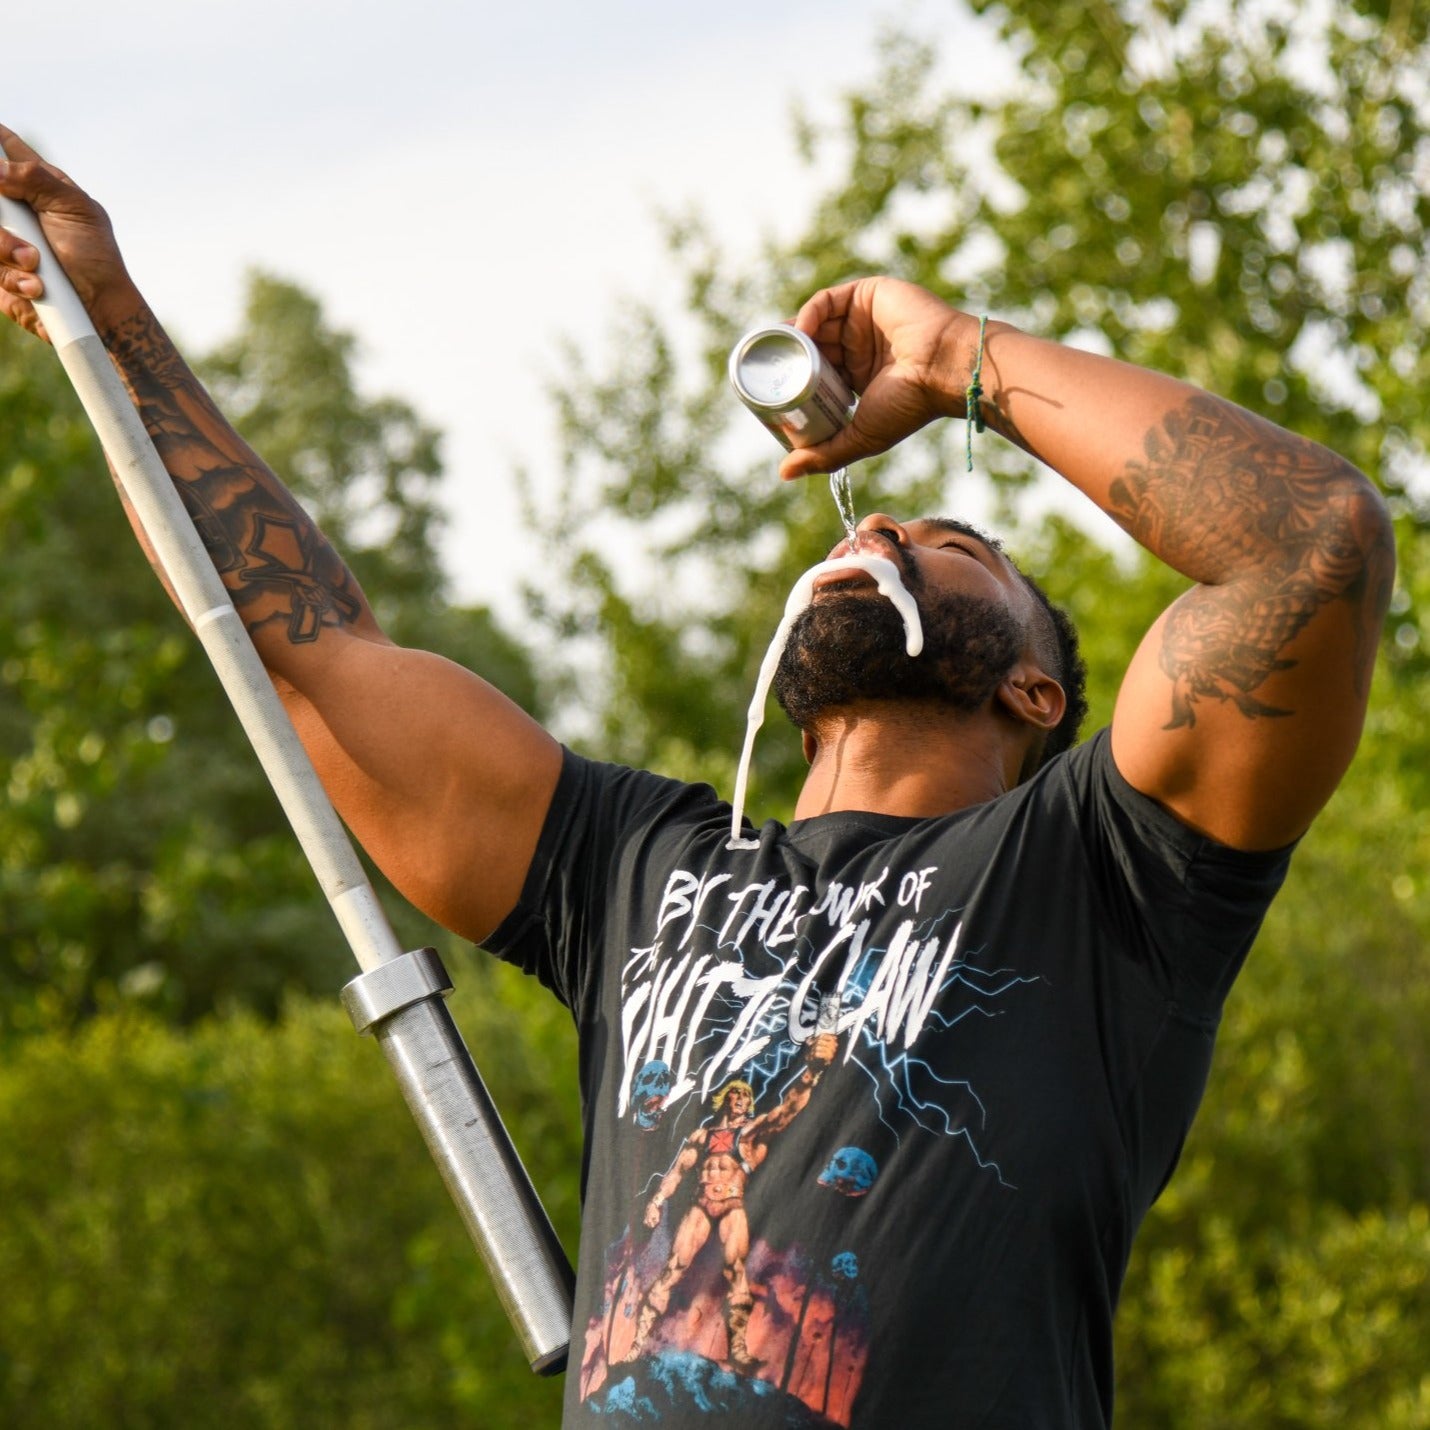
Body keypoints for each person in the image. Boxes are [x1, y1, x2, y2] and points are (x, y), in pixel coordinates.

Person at [0, 126, 1394, 1427]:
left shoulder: (1100, 875)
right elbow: (302, 650)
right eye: (887, 524)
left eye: (955, 546)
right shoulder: (631, 865)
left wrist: (959, 356)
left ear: (1034, 687)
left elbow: (1309, 545)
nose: (889, 520)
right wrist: (104, 305)